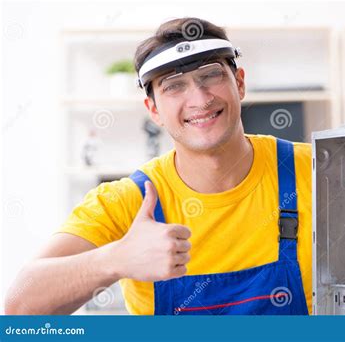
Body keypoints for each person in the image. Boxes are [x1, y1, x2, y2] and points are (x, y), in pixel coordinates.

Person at [5, 17, 312, 315]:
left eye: (210, 76)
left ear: (240, 83)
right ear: (153, 109)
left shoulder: (314, 170)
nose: (199, 99)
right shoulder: (127, 202)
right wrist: (116, 259)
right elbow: (19, 307)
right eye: (173, 86)